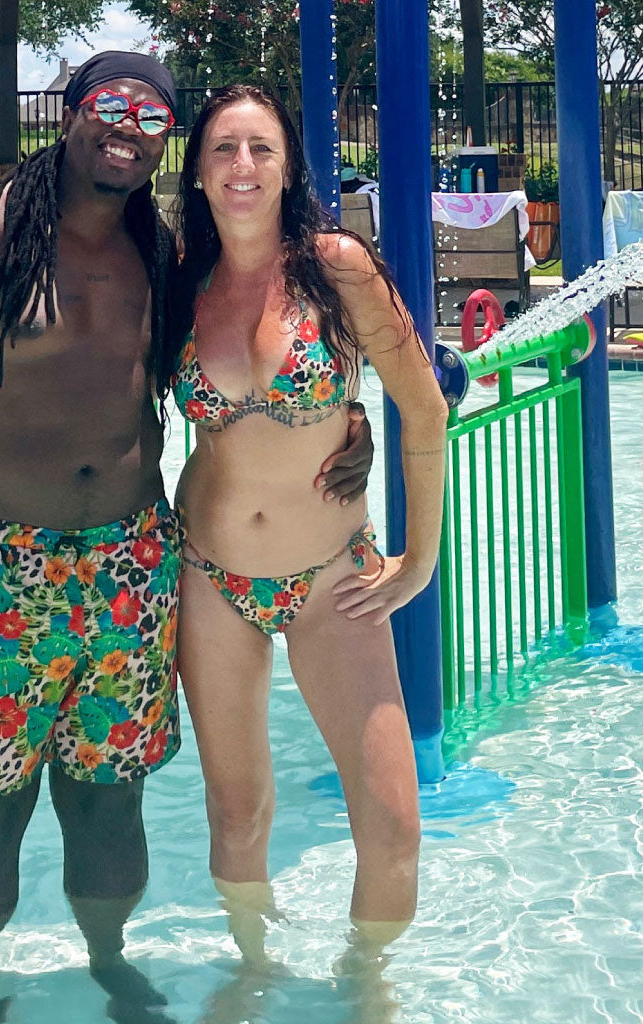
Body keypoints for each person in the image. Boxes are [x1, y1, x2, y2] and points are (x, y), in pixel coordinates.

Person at [0, 53, 371, 1020]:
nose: (131, 125)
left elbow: (241, 369)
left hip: (129, 559)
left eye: (154, 114)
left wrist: (351, 429)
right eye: (112, 105)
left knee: (110, 792)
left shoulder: (154, 251)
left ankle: (110, 963)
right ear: (75, 112)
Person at [164, 85, 448, 968]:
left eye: (261, 150)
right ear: (199, 174)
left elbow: (423, 410)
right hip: (210, 574)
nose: (242, 167)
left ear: (288, 170)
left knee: (394, 825)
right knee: (238, 814)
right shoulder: (181, 278)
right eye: (222, 151)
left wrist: (420, 556)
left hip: (333, 574)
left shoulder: (336, 267)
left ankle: (367, 991)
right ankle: (252, 973)